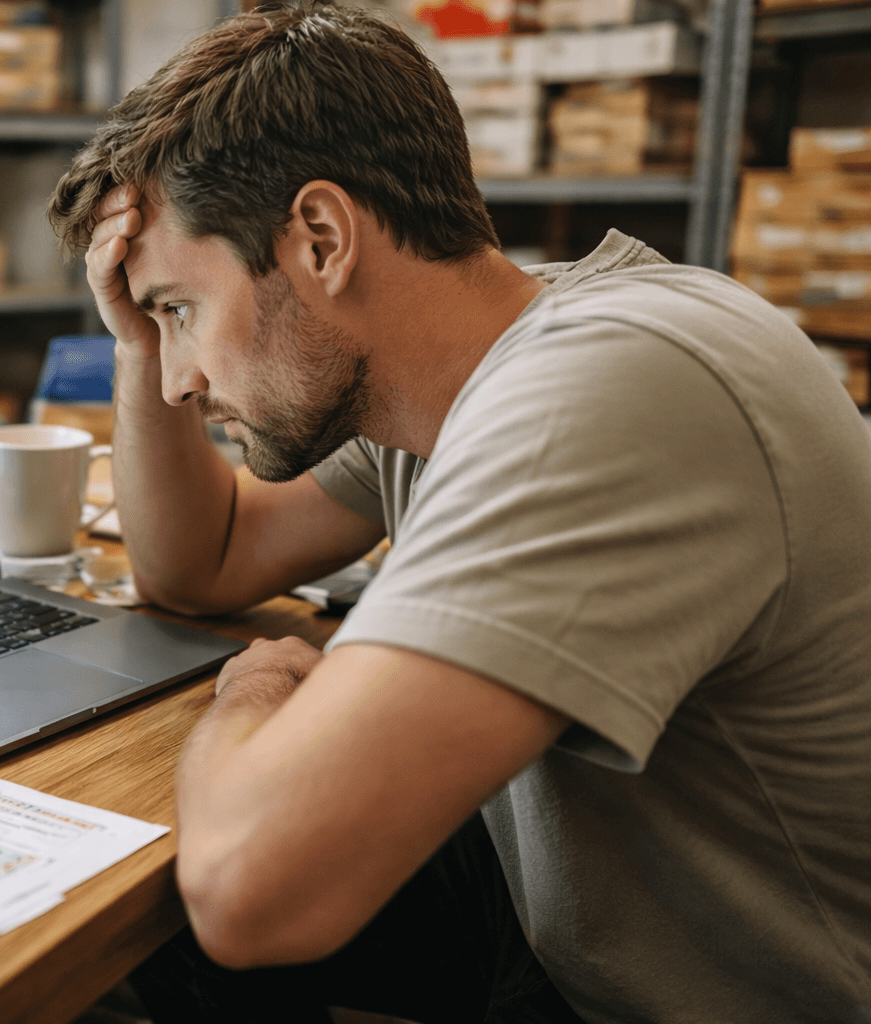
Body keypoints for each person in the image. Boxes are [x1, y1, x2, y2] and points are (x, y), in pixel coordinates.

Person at [46, 3, 871, 1022]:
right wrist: (134, 339)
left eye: (182, 310)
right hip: (572, 912)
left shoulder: (607, 393)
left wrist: (253, 700)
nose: (179, 380)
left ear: (319, 237)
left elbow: (252, 895)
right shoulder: (445, 374)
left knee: (169, 925)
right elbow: (202, 562)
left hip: (731, 997)